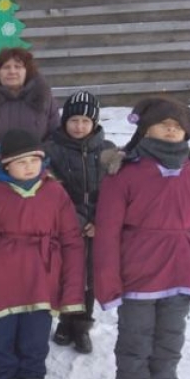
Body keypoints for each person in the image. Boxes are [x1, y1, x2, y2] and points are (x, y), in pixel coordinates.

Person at [95, 97, 190, 379]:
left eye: (178, 125)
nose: (172, 128)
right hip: (138, 270)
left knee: (170, 338)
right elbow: (107, 232)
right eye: (163, 123)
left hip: (181, 268)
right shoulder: (125, 172)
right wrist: (107, 280)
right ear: (145, 129)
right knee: (135, 338)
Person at [0, 129, 85, 379]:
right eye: (21, 161)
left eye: (34, 160)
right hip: (1, 279)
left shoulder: (54, 192)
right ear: (5, 165)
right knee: (0, 340)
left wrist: (72, 287)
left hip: (42, 277)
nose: (29, 167)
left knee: (35, 341)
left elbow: (71, 241)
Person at [44, 91, 115, 355]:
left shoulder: (107, 152)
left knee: (89, 279)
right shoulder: (52, 149)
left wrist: (99, 220)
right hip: (66, 224)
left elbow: (114, 191)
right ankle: (65, 321)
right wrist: (74, 219)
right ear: (65, 121)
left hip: (97, 226)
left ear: (94, 123)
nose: (79, 126)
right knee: (67, 275)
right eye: (74, 120)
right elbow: (51, 188)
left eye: (86, 121)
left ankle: (82, 326)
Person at [0, 48, 60, 144]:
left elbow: (55, 136)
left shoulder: (45, 100)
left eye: (18, 67)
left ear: (27, 71)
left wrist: (37, 156)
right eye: (6, 67)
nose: (12, 71)